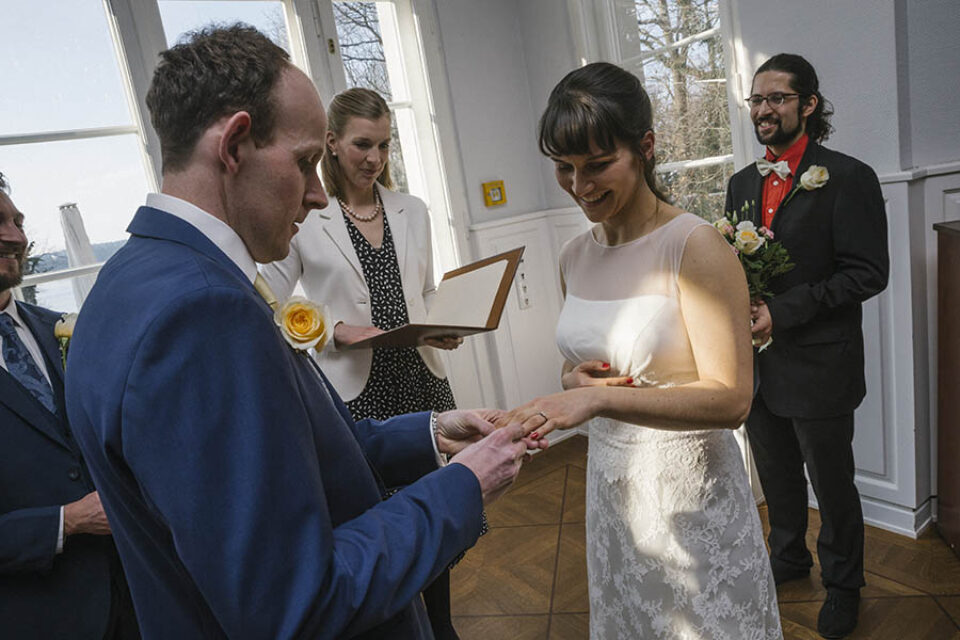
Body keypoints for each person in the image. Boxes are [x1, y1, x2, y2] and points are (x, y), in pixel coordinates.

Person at [65, 25, 543, 639]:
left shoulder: (129, 277)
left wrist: (427, 433)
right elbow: (294, 602)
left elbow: (291, 454)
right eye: (306, 162)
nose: (319, 194)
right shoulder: (200, 312)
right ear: (234, 144)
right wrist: (464, 488)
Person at [498, 62, 783, 638]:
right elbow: (581, 364)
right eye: (563, 169)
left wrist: (598, 405)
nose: (580, 187)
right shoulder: (574, 256)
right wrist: (576, 380)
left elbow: (732, 399)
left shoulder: (694, 248)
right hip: (612, 492)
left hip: (690, 495)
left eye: (598, 165)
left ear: (645, 147)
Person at [260, 86, 464, 639]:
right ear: (331, 142)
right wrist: (336, 332)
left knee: (436, 512)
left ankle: (441, 628)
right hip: (358, 395)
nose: (374, 158)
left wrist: (444, 326)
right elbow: (270, 300)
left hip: (423, 380)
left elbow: (423, 291)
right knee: (379, 521)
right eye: (361, 144)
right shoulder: (310, 215)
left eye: (384, 145)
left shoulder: (412, 210)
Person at [725, 53, 889, 639]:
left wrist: (781, 312)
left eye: (776, 98)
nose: (763, 110)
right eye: (756, 99)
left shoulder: (848, 176)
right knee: (776, 473)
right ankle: (789, 559)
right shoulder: (741, 182)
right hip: (759, 367)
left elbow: (866, 274)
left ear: (808, 105)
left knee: (832, 484)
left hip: (821, 363)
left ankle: (844, 585)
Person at [0, 172, 138, 638]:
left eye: (18, 221)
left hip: (136, 595)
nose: (16, 237)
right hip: (39, 616)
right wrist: (67, 522)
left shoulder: (61, 327)